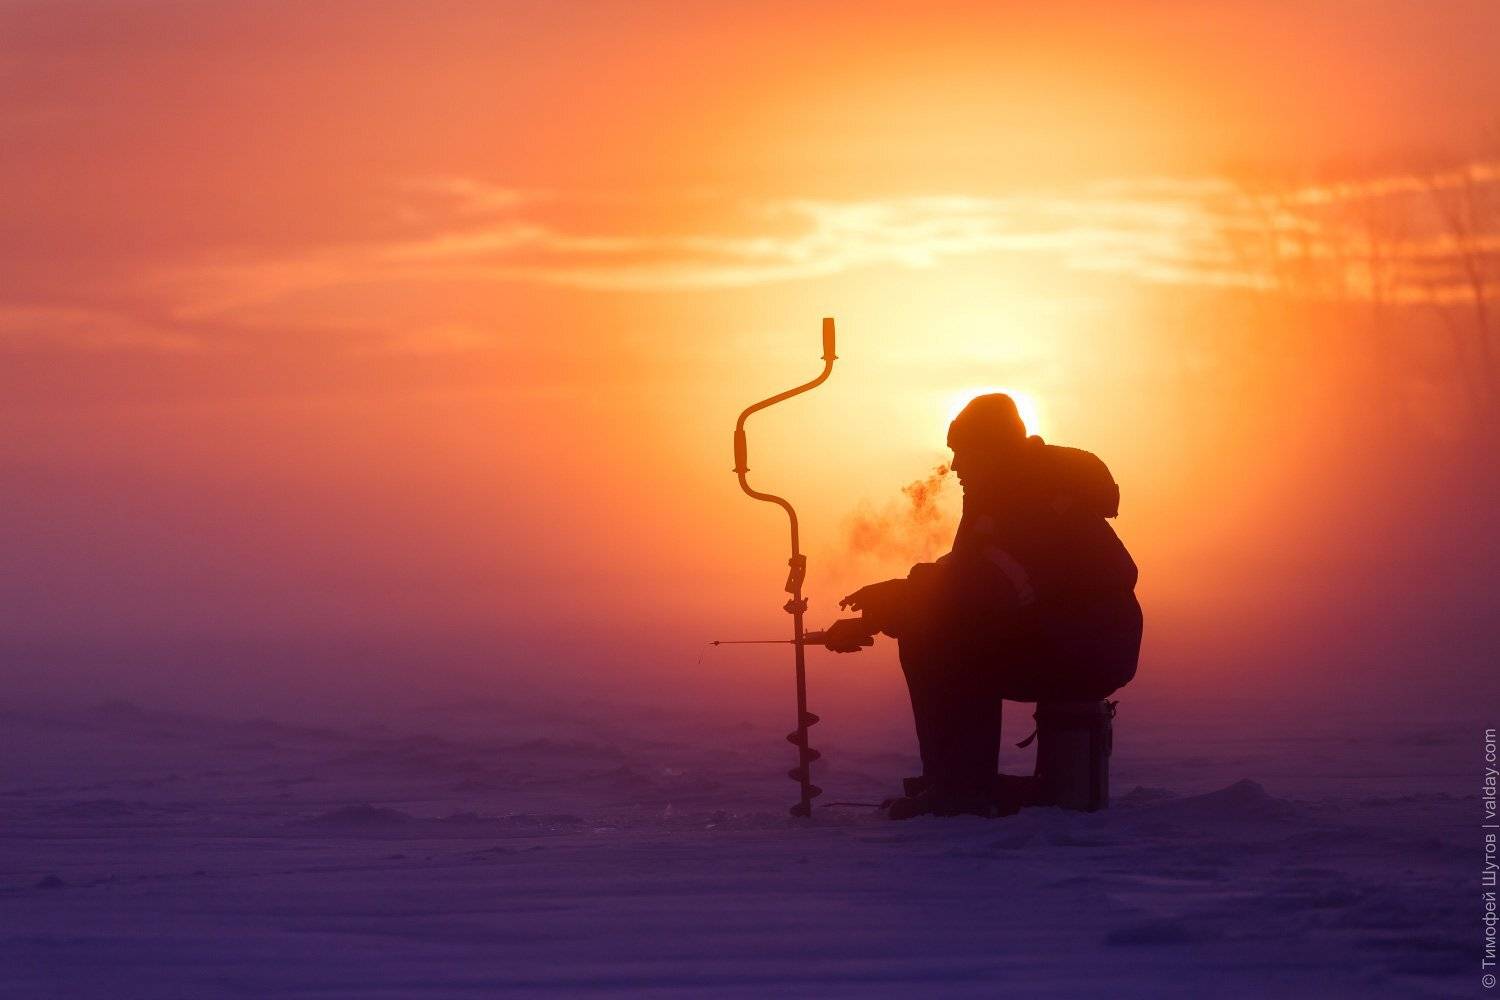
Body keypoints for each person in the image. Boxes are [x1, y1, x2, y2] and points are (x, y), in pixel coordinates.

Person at [824, 393, 1142, 818]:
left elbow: (987, 593)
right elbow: (973, 573)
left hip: (1087, 649)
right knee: (934, 633)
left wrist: (902, 603)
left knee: (939, 644)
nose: (955, 466)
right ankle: (954, 779)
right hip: (1073, 639)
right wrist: (901, 594)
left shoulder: (1030, 503)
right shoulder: (1017, 492)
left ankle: (960, 788)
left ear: (993, 450)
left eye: (963, 452)